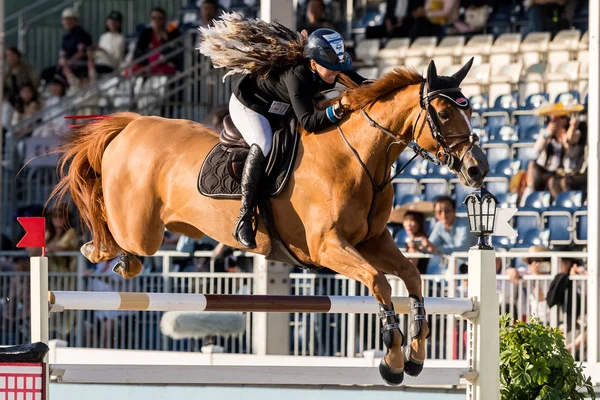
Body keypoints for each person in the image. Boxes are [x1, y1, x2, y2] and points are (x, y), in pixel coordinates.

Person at [201, 20, 367, 248]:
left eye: (339, 66)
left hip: (281, 106)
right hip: (252, 106)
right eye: (331, 66)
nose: (338, 71)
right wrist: (337, 109)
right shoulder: (296, 75)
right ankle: (244, 218)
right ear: (313, 63)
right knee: (263, 144)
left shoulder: (332, 67)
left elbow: (365, 84)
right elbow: (308, 121)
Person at [526, 112, 587, 198]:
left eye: (561, 118)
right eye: (554, 118)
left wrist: (573, 127)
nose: (557, 121)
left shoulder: (575, 131)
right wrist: (547, 134)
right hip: (549, 170)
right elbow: (536, 149)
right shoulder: (546, 133)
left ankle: (559, 205)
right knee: (532, 166)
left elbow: (571, 140)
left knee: (554, 182)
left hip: (567, 172)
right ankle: (533, 197)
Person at [133, 7, 182, 75]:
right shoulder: (146, 33)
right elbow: (138, 52)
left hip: (164, 64)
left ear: (164, 20)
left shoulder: (171, 33)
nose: (157, 20)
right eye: (154, 18)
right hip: (148, 64)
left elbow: (174, 52)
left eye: (160, 18)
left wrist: (167, 39)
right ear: (150, 19)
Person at [402, 210, 430, 274]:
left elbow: (411, 268)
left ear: (419, 222)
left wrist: (414, 248)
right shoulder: (408, 240)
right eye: (406, 220)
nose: (408, 224)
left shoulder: (424, 241)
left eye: (412, 220)